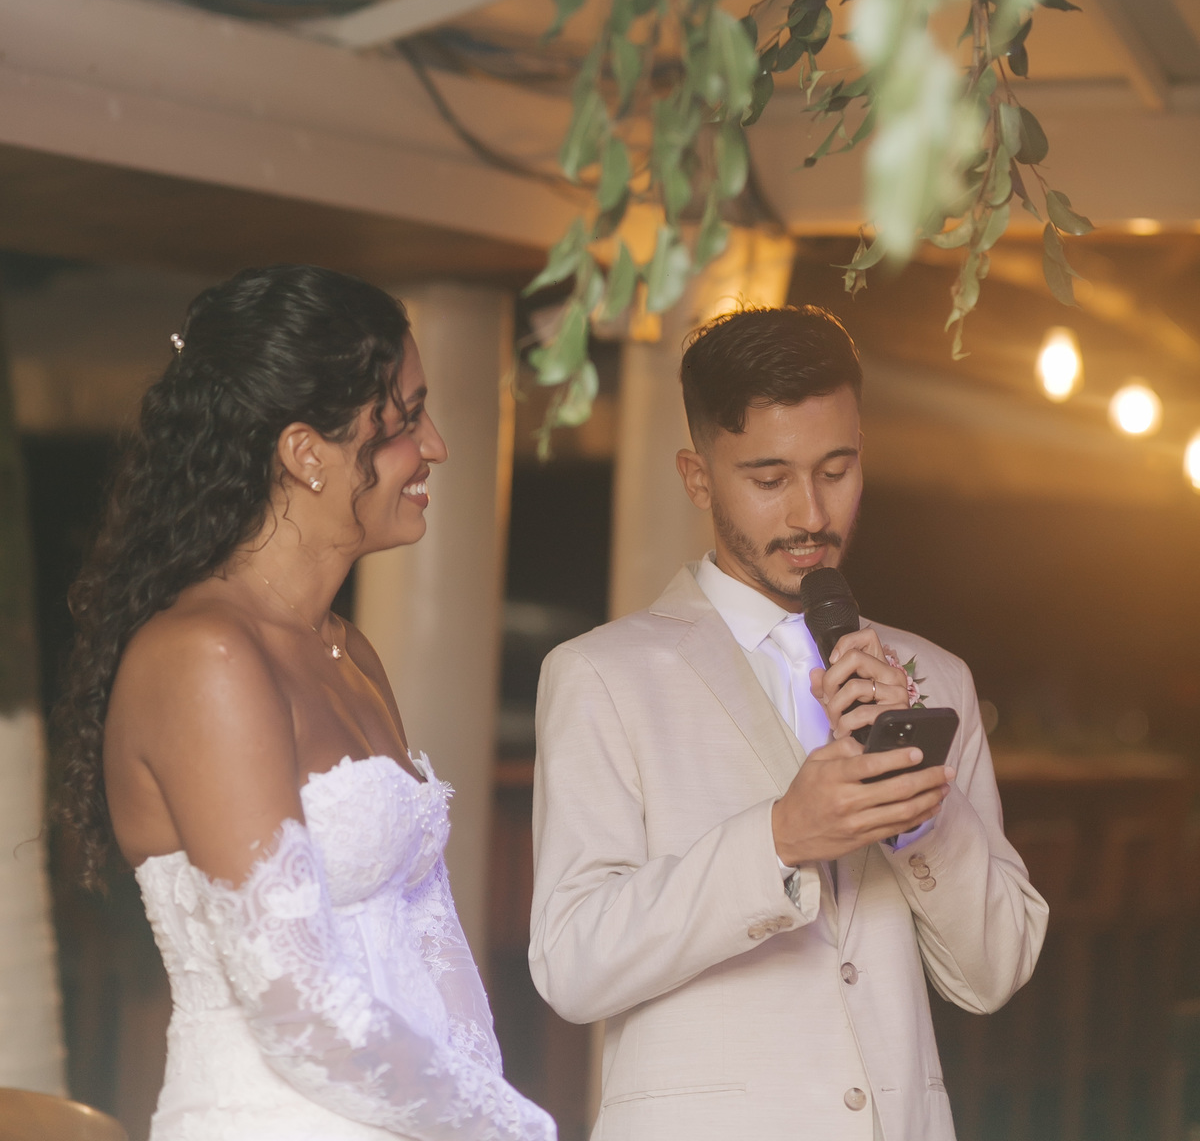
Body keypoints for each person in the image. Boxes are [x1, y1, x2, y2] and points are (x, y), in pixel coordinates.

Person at [55, 264, 554, 1141]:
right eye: (404, 420)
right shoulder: (203, 657)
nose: (436, 446)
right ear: (304, 452)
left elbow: (431, 934)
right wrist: (512, 1128)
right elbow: (293, 1006)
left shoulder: (348, 651)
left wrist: (492, 1107)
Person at [529, 304, 1047, 1141]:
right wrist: (778, 838)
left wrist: (921, 810)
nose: (811, 514)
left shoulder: (934, 677)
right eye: (769, 481)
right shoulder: (601, 675)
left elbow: (996, 972)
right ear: (698, 478)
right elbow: (572, 964)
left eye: (836, 471)